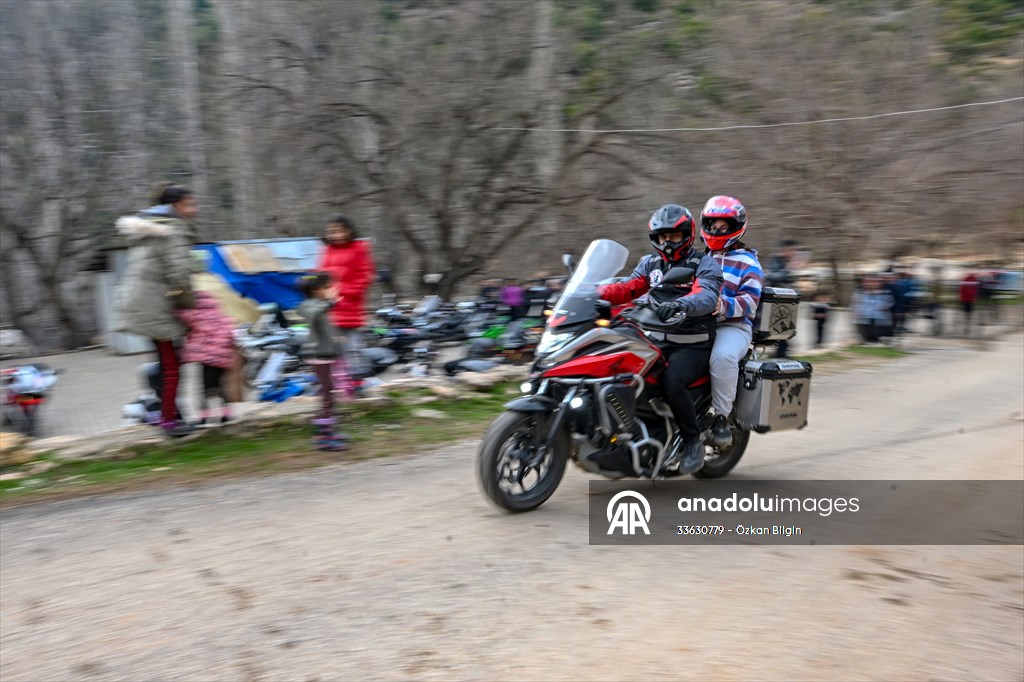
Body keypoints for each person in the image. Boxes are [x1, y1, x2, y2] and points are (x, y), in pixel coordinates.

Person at [598, 203, 723, 474]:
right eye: (663, 236)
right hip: (656, 338)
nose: (668, 242)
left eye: (674, 236)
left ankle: (692, 442)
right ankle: (620, 437)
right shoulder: (650, 263)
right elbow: (628, 287)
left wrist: (682, 304)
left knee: (671, 382)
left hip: (692, 342)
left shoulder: (703, 263)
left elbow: (707, 295)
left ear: (686, 235)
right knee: (619, 369)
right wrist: (594, 292)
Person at [114, 183, 199, 437]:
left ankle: (170, 411)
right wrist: (190, 306)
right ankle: (168, 421)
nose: (194, 210)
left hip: (140, 301)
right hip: (154, 305)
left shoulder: (148, 228)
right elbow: (180, 274)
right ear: (175, 206)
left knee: (166, 363)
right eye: (189, 204)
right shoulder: (172, 230)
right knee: (172, 365)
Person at [700, 196, 763, 449]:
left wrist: (723, 306)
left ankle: (721, 418)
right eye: (712, 225)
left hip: (733, 326)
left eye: (723, 226)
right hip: (696, 326)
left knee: (723, 357)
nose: (716, 230)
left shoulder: (749, 262)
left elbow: (751, 301)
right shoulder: (698, 259)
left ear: (736, 227)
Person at [176, 253, 239, 425]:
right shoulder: (215, 288)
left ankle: (204, 416)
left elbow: (183, 316)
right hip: (223, 350)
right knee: (220, 384)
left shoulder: (192, 308)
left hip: (206, 353)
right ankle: (226, 413)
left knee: (203, 386)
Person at [316, 215, 375, 380]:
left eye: (337, 231)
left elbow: (365, 277)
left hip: (349, 306)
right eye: (330, 232)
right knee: (332, 348)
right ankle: (339, 382)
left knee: (353, 346)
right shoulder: (327, 250)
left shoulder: (359, 249)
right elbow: (320, 273)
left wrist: (342, 290)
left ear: (348, 231)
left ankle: (358, 380)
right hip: (328, 307)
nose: (333, 235)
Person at [297, 273, 348, 451]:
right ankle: (324, 436)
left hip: (326, 354)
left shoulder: (321, 306)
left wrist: (336, 340)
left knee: (328, 392)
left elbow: (324, 327)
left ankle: (328, 431)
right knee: (327, 392)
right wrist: (330, 302)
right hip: (318, 355)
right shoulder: (308, 305)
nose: (331, 290)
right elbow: (313, 314)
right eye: (327, 287)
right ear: (315, 290)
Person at [764, 240, 797, 358]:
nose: (793, 253)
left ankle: (781, 353)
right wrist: (788, 269)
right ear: (785, 250)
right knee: (780, 328)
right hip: (775, 301)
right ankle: (780, 353)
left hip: (784, 301)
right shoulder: (775, 261)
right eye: (792, 250)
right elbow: (773, 276)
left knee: (784, 328)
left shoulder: (784, 262)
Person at [959, 272, 979, 337]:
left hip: (964, 299)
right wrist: (975, 297)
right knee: (970, 312)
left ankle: (966, 320)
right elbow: (976, 290)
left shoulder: (964, 279)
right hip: (971, 299)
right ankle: (968, 320)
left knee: (965, 311)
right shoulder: (975, 280)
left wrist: (961, 297)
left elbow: (961, 289)